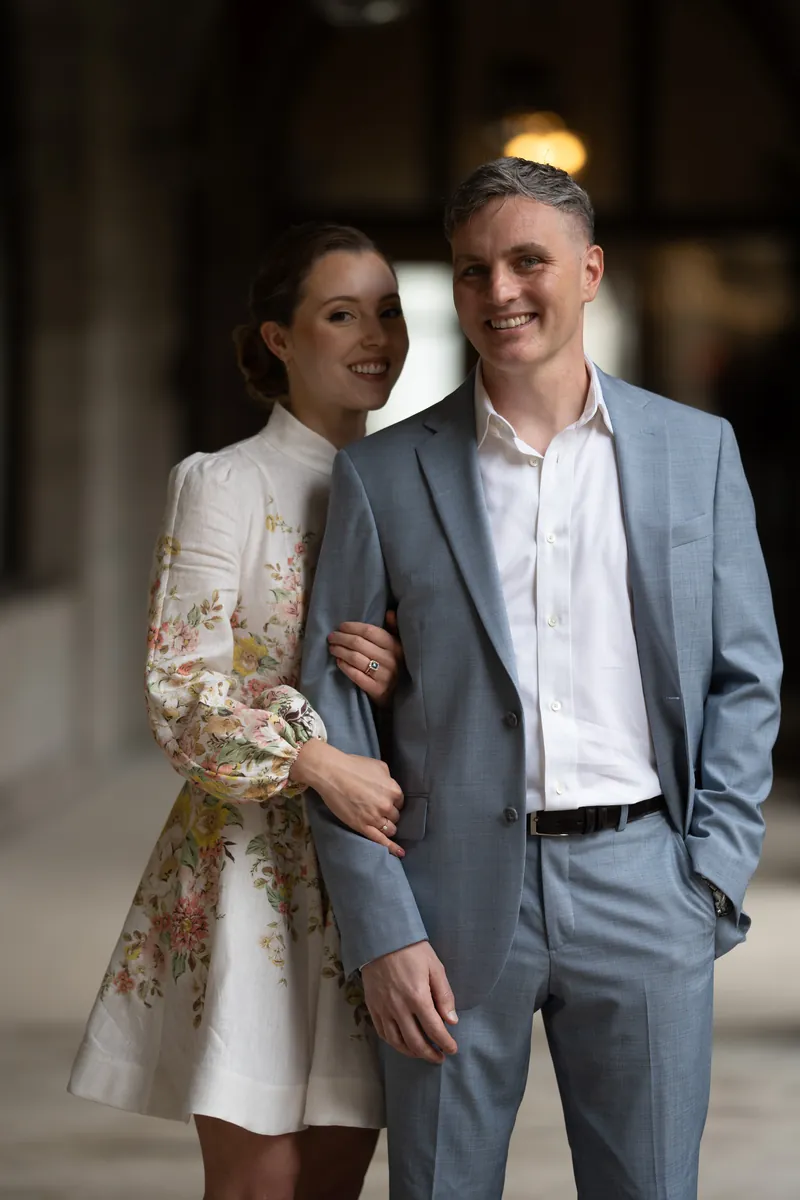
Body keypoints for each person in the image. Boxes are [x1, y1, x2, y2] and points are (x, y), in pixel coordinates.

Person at [299, 160, 783, 1199]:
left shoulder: (694, 452)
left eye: (528, 261)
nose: (500, 291)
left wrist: (708, 876)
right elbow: (331, 714)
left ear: (590, 270)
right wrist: (383, 930)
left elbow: (744, 676)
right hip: (447, 902)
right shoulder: (382, 477)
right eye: (473, 270)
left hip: (645, 884)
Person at [68, 222, 410, 1200]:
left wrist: (398, 674)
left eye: (385, 311)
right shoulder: (221, 483)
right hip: (252, 871)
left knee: (337, 1181)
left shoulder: (418, 486)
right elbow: (183, 688)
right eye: (339, 313)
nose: (372, 334)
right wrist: (318, 756)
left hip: (373, 878)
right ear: (277, 338)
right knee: (258, 1185)